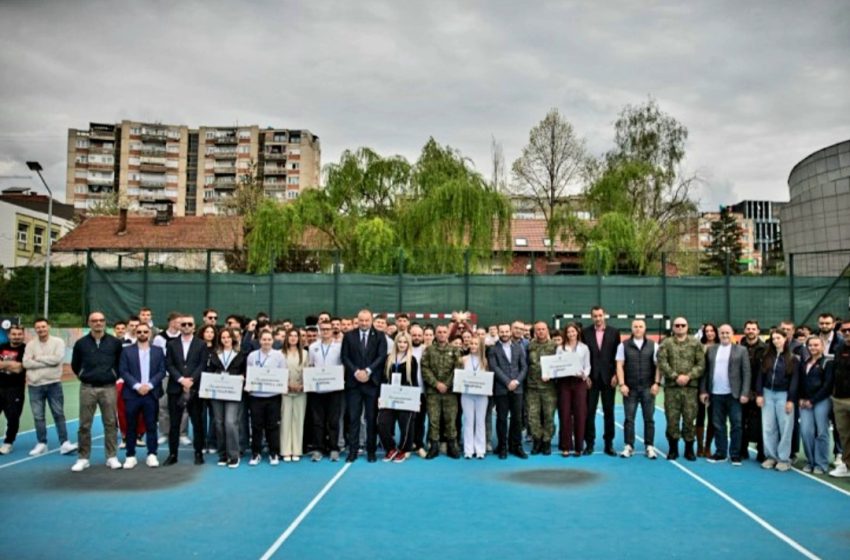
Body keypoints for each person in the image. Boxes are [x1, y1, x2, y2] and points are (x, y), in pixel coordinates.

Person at [70, 311, 123, 472]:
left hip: (109, 388)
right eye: (94, 321)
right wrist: (83, 375)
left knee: (111, 423)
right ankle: (83, 458)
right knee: (85, 425)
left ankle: (112, 457)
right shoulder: (81, 344)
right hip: (87, 388)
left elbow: (120, 363)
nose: (98, 323)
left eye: (101, 320)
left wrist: (112, 376)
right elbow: (75, 364)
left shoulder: (115, 343)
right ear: (89, 323)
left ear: (105, 322)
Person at [21, 318, 77, 457]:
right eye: (38, 327)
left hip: (53, 384)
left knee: (58, 414)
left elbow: (57, 360)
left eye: (43, 326)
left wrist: (38, 358)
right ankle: (42, 443)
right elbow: (26, 363)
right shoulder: (30, 345)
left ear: (49, 327)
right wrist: (46, 360)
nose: (41, 329)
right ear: (35, 329)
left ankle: (64, 443)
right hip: (35, 385)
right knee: (38, 416)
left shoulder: (58, 342)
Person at [699, 324, 751, 465]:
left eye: (727, 332)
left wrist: (745, 392)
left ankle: (735, 454)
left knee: (736, 424)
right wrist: (704, 391)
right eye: (722, 333)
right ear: (718, 334)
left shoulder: (741, 350)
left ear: (732, 333)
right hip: (715, 394)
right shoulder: (711, 350)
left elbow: (746, 373)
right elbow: (706, 372)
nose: (725, 335)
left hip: (734, 394)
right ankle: (721, 452)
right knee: (718, 424)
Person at [341, 308, 387, 463]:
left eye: (367, 320)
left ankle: (371, 451)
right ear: (358, 320)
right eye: (361, 320)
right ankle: (353, 451)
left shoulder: (380, 336)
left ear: (371, 320)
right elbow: (345, 357)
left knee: (371, 418)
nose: (364, 323)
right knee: (353, 418)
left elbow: (381, 356)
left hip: (372, 384)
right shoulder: (349, 336)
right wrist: (356, 372)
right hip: (354, 384)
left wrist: (368, 371)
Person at [118, 323, 166, 469]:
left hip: (151, 394)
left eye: (145, 331)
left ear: (150, 333)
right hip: (132, 394)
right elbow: (123, 371)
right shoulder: (127, 351)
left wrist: (150, 385)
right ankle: (130, 455)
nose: (142, 334)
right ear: (135, 333)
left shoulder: (158, 351)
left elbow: (162, 371)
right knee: (131, 426)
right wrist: (138, 386)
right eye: (139, 332)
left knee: (151, 425)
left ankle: (152, 454)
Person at [658, 316, 705, 461]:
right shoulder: (666, 343)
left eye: (682, 325)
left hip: (690, 389)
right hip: (672, 388)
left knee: (689, 419)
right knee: (672, 419)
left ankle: (689, 449)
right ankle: (673, 449)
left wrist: (688, 376)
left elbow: (701, 364)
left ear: (687, 326)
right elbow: (662, 362)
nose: (679, 328)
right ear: (673, 327)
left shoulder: (695, 343)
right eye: (677, 325)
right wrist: (675, 376)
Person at [164, 315, 208, 466]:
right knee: (174, 424)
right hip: (176, 388)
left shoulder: (201, 344)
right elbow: (169, 365)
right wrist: (181, 380)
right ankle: (173, 454)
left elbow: (202, 365)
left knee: (197, 423)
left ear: (194, 326)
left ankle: (198, 453)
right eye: (184, 324)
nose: (187, 326)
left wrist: (191, 381)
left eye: (190, 324)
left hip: (195, 389)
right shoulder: (171, 344)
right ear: (179, 326)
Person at [756, 328, 799, 472]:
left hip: (784, 395)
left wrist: (790, 400)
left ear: (785, 339)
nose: (775, 341)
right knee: (768, 427)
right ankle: (771, 457)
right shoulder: (766, 356)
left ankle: (783, 459)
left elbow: (794, 380)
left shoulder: (793, 358)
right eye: (773, 338)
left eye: (778, 338)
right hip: (768, 394)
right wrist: (760, 394)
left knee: (785, 428)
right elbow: (760, 377)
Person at [616, 319, 659, 459]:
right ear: (631, 328)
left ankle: (649, 446)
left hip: (648, 387)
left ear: (645, 328)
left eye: (641, 326)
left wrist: (656, 383)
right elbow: (619, 365)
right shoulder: (623, 345)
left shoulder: (654, 345)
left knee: (649, 419)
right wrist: (622, 384)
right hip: (630, 388)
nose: (638, 329)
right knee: (629, 419)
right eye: (635, 326)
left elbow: (658, 366)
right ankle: (629, 446)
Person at [582, 306, 620, 456]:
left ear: (605, 315)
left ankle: (608, 444)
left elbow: (618, 356)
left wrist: (616, 374)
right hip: (591, 379)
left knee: (609, 412)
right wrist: (586, 376)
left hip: (608, 378)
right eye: (595, 316)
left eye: (600, 315)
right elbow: (583, 357)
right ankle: (589, 444)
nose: (598, 318)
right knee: (589, 413)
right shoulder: (585, 333)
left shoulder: (614, 332)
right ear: (591, 317)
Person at [421, 324, 463, 459]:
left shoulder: (455, 350)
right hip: (433, 391)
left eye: (444, 332)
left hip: (450, 392)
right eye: (439, 332)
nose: (442, 334)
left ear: (447, 334)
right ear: (435, 334)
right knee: (433, 419)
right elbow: (424, 368)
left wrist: (447, 384)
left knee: (451, 419)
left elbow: (458, 368)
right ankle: (434, 446)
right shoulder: (429, 350)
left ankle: (452, 446)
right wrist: (436, 384)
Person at [487, 324, 528, 459]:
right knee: (502, 419)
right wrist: (507, 382)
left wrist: (516, 381)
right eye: (502, 332)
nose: (504, 334)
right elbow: (494, 367)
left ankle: (516, 446)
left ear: (510, 332)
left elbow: (524, 367)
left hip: (517, 389)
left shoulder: (519, 347)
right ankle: (502, 446)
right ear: (498, 332)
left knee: (517, 419)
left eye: (506, 331)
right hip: (501, 389)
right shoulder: (493, 349)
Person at [206, 327, 246, 468]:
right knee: (218, 423)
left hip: (233, 392)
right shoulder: (214, 354)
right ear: (220, 339)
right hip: (217, 392)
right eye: (223, 337)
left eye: (228, 337)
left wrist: (243, 377)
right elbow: (209, 373)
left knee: (230, 422)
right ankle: (222, 454)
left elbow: (245, 372)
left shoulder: (241, 354)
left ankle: (234, 455)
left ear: (232, 338)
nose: (226, 340)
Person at [377, 333, 418, 462]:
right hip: (389, 397)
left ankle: (404, 450)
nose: (402, 344)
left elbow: (414, 381)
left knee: (406, 425)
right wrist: (380, 396)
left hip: (406, 398)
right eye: (400, 342)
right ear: (396, 343)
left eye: (405, 342)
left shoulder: (412, 360)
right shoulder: (388, 358)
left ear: (408, 344)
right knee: (382, 422)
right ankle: (391, 448)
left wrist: (416, 400)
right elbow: (383, 379)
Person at [307, 320, 344, 462]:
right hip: (317, 390)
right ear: (319, 331)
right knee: (318, 421)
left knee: (333, 420)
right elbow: (310, 365)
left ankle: (334, 448)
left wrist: (340, 380)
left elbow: (342, 365)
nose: (325, 332)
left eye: (328, 329)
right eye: (323, 329)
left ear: (332, 331)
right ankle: (318, 448)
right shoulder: (313, 347)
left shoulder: (339, 347)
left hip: (334, 389)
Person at [246, 330, 284, 466]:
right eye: (264, 339)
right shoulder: (252, 356)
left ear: (272, 341)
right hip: (256, 396)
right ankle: (256, 453)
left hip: (273, 396)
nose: (266, 342)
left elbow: (282, 375)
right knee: (256, 426)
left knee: (272, 426)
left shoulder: (279, 356)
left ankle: (274, 453)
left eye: (269, 339)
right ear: (259, 341)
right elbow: (249, 373)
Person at [797, 337, 833, 474]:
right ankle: (811, 461)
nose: (813, 348)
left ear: (822, 346)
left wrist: (813, 400)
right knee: (806, 432)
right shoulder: (804, 363)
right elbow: (800, 382)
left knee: (822, 432)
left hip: (821, 401)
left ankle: (821, 464)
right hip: (804, 402)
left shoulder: (827, 363)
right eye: (810, 345)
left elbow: (827, 386)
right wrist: (800, 398)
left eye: (816, 345)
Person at [557, 323, 590, 457]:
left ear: (577, 332)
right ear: (566, 334)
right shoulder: (560, 348)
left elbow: (588, 366)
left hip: (579, 383)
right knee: (564, 414)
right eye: (568, 332)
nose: (571, 334)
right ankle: (565, 447)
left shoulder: (584, 348)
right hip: (565, 383)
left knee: (580, 414)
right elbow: (557, 365)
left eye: (573, 331)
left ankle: (578, 447)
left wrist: (584, 375)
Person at [526, 321, 558, 455]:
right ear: (534, 332)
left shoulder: (555, 346)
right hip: (532, 387)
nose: (540, 332)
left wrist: (553, 375)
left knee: (549, 416)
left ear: (547, 331)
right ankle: (537, 440)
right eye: (538, 329)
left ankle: (546, 442)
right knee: (533, 417)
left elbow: (560, 365)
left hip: (549, 388)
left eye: (543, 329)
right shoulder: (529, 346)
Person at [739, 320, 768, 462]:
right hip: (743, 391)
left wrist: (759, 392)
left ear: (758, 331)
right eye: (748, 328)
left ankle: (761, 452)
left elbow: (765, 372)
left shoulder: (766, 349)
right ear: (744, 330)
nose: (751, 331)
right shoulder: (738, 347)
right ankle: (742, 450)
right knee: (741, 421)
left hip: (760, 391)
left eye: (753, 329)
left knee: (761, 423)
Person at [459, 335, 488, 459]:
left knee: (480, 421)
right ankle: (468, 450)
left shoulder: (485, 361)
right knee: (468, 421)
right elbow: (459, 376)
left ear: (481, 346)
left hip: (482, 395)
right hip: (466, 395)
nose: (473, 346)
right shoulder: (463, 359)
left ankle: (480, 449)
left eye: (476, 344)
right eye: (471, 343)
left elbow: (488, 378)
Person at [280, 329, 307, 462]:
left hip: (300, 391)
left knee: (298, 420)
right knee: (285, 420)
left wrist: (302, 386)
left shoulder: (305, 354)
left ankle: (297, 450)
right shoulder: (280, 354)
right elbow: (277, 373)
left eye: (295, 336)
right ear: (286, 338)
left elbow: (309, 372)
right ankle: (285, 450)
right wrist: (286, 385)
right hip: (285, 391)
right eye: (290, 335)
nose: (293, 338)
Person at [0, 325, 27, 455]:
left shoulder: (26, 349)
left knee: (13, 417)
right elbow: (14, 366)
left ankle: (8, 442)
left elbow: (19, 368)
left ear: (23, 335)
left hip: (15, 388)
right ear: (9, 335)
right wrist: (11, 364)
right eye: (14, 334)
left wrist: (3, 365)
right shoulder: (1, 346)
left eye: (19, 334)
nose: (16, 336)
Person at [829, 320, 850, 477]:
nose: (847, 333)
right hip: (839, 398)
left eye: (849, 330)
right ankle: (847, 464)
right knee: (844, 434)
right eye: (844, 331)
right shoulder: (838, 349)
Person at [697, 322, 718, 457]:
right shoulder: (699, 347)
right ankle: (699, 447)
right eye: (707, 331)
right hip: (699, 385)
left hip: (715, 387)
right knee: (699, 416)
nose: (709, 333)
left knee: (712, 417)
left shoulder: (722, 347)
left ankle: (708, 446)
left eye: (712, 330)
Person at [409, 324, 428, 458]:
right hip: (408, 391)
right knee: (409, 421)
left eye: (419, 335)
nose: (416, 337)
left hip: (423, 391)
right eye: (414, 335)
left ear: (423, 337)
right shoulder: (405, 349)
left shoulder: (427, 350)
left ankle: (419, 445)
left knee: (421, 420)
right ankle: (408, 445)